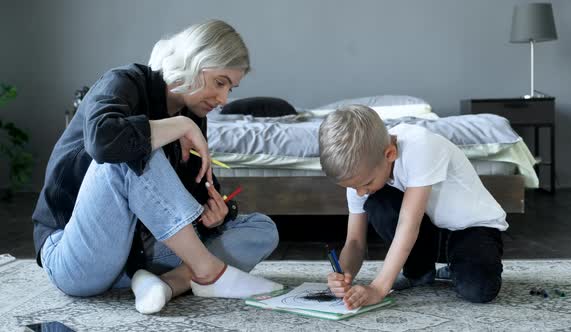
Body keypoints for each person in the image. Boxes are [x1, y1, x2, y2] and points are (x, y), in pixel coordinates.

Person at [32, 20, 282, 315]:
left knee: (261, 228)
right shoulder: (123, 81)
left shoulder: (192, 111)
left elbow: (173, 199)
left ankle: (164, 285)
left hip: (141, 258)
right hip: (80, 257)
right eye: (220, 82)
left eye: (230, 87)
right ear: (193, 62)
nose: (224, 99)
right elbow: (103, 142)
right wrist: (180, 125)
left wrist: (217, 215)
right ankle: (206, 272)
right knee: (132, 151)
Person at [318, 105, 506, 309]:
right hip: (430, 231)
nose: (359, 192)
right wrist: (343, 275)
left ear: (389, 153)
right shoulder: (360, 174)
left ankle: (456, 266)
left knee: (478, 290)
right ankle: (419, 271)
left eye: (365, 184)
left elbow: (408, 224)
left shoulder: (420, 145)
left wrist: (378, 288)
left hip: (471, 227)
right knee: (378, 202)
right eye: (353, 187)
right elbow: (354, 242)